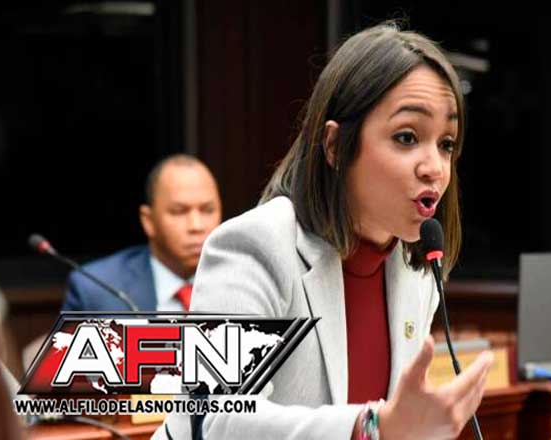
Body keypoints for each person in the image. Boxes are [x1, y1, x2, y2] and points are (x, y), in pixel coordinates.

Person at [154, 22, 492, 440]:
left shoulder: (416, 270)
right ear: (335, 146)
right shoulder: (255, 245)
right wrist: (369, 426)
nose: (435, 168)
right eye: (407, 137)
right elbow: (217, 419)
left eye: (446, 144)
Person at [61, 154, 222, 312]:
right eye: (179, 211)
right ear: (148, 221)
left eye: (207, 210)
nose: (196, 226)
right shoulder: (96, 289)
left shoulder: (236, 277)